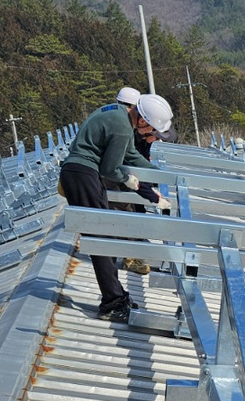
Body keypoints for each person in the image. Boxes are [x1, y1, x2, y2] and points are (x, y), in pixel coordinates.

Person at [58, 93, 174, 323]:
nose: (150, 133)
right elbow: (111, 169)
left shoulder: (119, 115)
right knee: (102, 238)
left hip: (80, 172)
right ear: (142, 120)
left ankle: (116, 296)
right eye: (151, 128)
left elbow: (130, 154)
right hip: (83, 174)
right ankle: (112, 303)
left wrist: (160, 176)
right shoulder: (122, 128)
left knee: (105, 236)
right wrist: (137, 184)